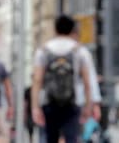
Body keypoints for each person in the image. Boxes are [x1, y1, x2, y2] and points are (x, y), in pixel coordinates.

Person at [32, 15, 92, 143]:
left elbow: (37, 80)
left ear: (55, 29)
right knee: (72, 138)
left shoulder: (44, 50)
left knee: (50, 138)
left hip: (49, 101)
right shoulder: (80, 51)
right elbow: (87, 82)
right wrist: (88, 106)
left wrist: (35, 107)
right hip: (73, 102)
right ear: (72, 30)